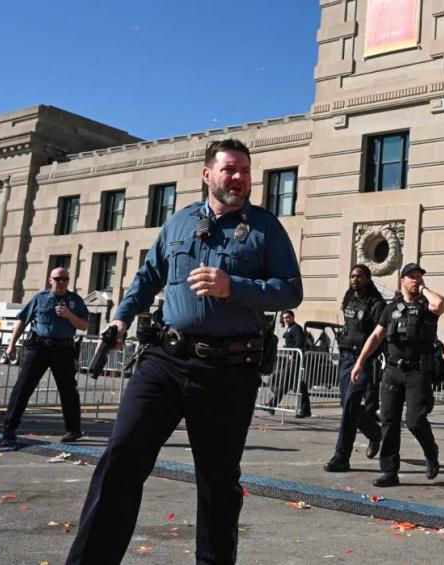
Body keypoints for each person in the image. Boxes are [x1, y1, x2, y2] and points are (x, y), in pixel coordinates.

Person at [65, 138, 303, 565]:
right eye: (230, 169)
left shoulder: (267, 228)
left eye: (245, 171)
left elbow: (290, 291)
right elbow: (148, 274)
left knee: (218, 483)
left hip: (229, 371)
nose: (239, 178)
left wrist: (235, 286)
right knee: (121, 458)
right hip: (166, 361)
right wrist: (121, 317)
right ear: (207, 174)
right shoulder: (178, 223)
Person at [349, 262, 444, 488]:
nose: (415, 279)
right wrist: (359, 363)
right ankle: (389, 471)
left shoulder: (426, 306)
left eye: (419, 276)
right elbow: (375, 337)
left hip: (417, 371)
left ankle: (431, 453)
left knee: (415, 421)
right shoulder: (391, 308)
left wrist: (422, 289)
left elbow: (440, 303)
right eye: (411, 276)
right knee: (389, 422)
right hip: (392, 371)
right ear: (401, 280)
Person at [0, 268, 88, 450]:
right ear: (50, 280)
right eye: (58, 279)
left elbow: (85, 325)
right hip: (39, 347)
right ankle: (9, 429)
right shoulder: (40, 298)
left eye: (65, 279)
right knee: (23, 388)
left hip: (63, 349)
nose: (61, 282)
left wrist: (70, 316)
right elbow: (22, 320)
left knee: (69, 391)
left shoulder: (75, 301)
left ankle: (73, 430)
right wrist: (11, 344)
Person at [323, 265, 384, 472]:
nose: (354, 280)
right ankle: (375, 433)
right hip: (346, 357)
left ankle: (342, 456)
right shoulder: (349, 298)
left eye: (359, 276)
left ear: (367, 279)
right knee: (345, 403)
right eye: (352, 276)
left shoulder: (376, 303)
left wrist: (367, 359)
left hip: (363, 359)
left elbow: (379, 335)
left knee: (350, 404)